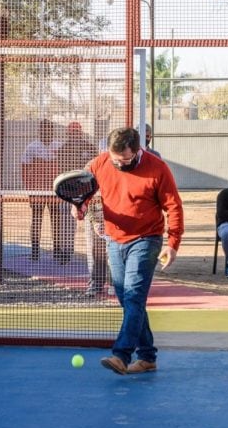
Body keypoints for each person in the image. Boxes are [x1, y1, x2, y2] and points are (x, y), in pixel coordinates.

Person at [73, 126, 184, 375]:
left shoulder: (157, 168)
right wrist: (80, 206)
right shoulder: (100, 162)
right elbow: (84, 189)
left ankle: (121, 355)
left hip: (147, 239)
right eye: (114, 160)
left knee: (134, 295)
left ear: (137, 151)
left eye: (124, 160)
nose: (119, 164)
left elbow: (174, 206)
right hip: (115, 239)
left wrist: (173, 243)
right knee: (127, 299)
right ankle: (147, 357)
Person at [21, 119, 64, 263]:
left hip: (55, 190)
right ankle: (35, 250)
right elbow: (25, 168)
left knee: (56, 219)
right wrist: (30, 188)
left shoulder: (59, 146)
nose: (46, 131)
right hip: (38, 190)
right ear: (40, 131)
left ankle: (57, 250)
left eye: (49, 129)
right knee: (36, 218)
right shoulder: (32, 147)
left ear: (52, 130)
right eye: (43, 129)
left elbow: (66, 165)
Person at [57, 121, 98, 263]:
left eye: (76, 132)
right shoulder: (63, 149)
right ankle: (66, 252)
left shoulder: (89, 147)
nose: (74, 134)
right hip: (69, 192)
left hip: (88, 192)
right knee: (67, 222)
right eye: (72, 132)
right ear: (68, 134)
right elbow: (60, 171)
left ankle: (93, 257)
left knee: (92, 222)